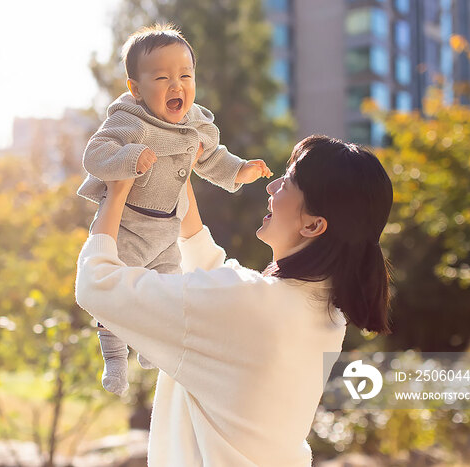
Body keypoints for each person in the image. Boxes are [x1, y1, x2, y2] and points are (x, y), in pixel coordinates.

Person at [75, 135, 393, 466]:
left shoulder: (246, 303)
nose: (272, 188)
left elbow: (97, 284)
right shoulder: (326, 316)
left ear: (313, 224)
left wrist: (116, 193)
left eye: (290, 181)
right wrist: (178, 176)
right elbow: (213, 289)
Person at [77, 23, 272, 395]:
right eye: (162, 77)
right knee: (116, 293)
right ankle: (115, 359)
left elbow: (211, 158)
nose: (176, 85)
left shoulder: (195, 122)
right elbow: (95, 155)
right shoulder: (129, 120)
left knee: (168, 288)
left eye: (185, 75)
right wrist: (130, 158)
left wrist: (239, 170)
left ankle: (151, 345)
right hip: (128, 226)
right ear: (135, 88)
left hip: (167, 230)